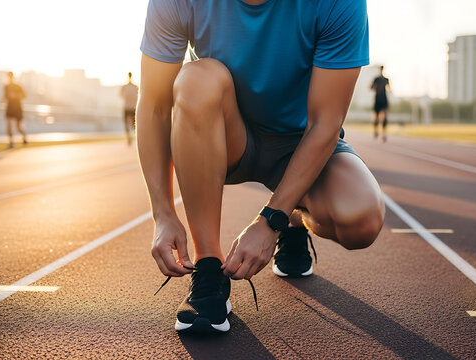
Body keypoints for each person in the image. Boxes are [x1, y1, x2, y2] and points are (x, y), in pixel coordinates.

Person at [139, 0, 384, 333]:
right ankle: (209, 272)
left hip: (301, 142)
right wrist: (162, 212)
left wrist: (273, 219)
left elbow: (325, 124)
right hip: (226, 134)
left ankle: (294, 216)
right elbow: (154, 105)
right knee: (195, 79)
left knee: (363, 220)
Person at [3, 72, 27, 148]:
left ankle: (24, 136)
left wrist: (15, 96)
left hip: (17, 107)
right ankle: (11, 142)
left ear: (13, 77)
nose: (10, 78)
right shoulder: (6, 86)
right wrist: (3, 99)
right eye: (8, 76)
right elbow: (5, 96)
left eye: (11, 76)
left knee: (18, 126)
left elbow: (24, 96)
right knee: (9, 125)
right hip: (10, 107)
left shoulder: (18, 86)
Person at [370, 65, 390, 141]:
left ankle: (384, 133)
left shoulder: (386, 79)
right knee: (376, 118)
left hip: (384, 99)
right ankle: (375, 131)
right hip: (377, 99)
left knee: (384, 117)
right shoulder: (376, 79)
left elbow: (389, 88)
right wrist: (374, 87)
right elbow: (371, 87)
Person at [120, 72, 139, 144]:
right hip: (129, 107)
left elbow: (121, 95)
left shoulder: (126, 87)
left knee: (132, 125)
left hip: (130, 107)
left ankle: (132, 137)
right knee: (128, 124)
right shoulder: (134, 87)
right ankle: (130, 138)